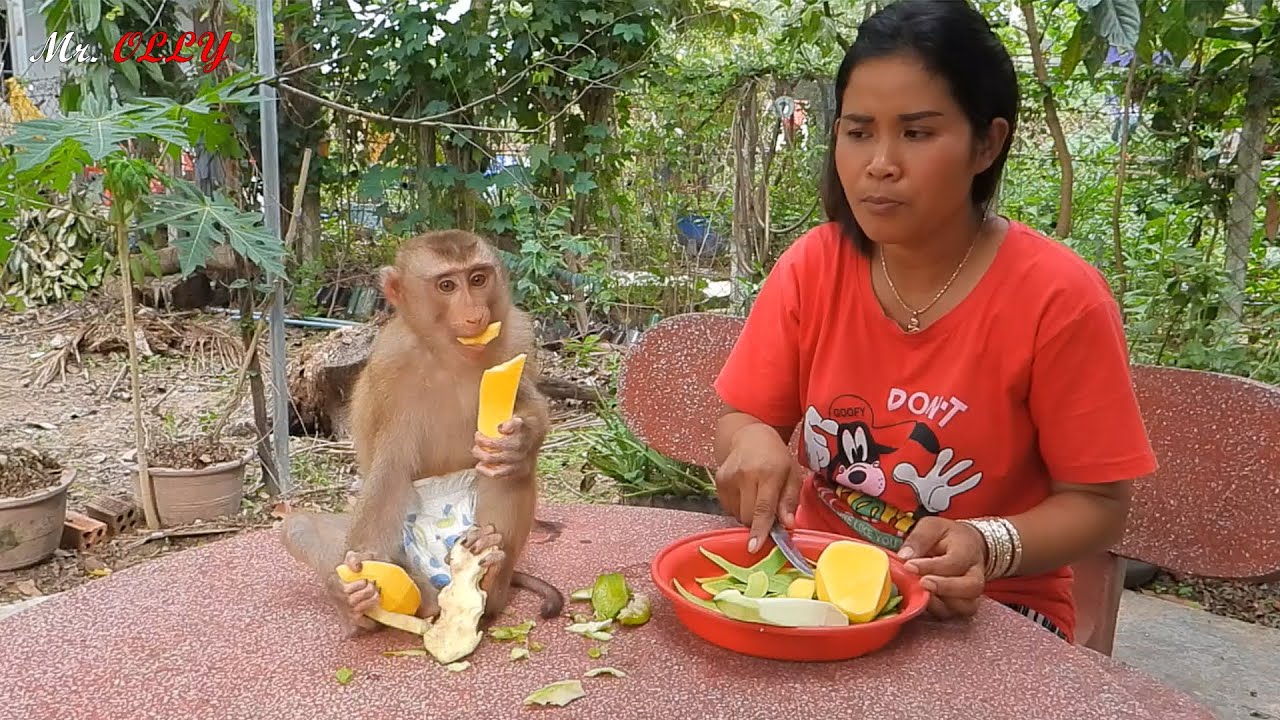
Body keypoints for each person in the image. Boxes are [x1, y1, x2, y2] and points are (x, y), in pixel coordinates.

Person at [710, 0, 1157, 644]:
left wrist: (985, 542)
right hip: (813, 579)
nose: (880, 163)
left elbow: (1100, 506)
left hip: (991, 607)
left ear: (987, 143)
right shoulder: (815, 265)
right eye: (858, 131)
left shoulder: (1058, 298)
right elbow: (742, 419)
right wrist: (750, 441)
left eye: (917, 133)